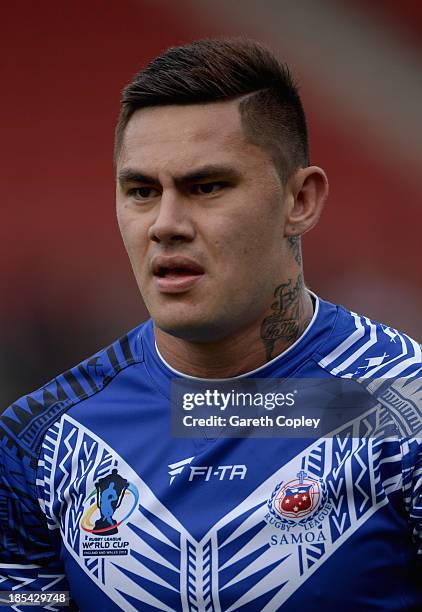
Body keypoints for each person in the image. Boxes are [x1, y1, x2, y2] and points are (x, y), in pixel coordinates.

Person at [1, 38, 421, 611]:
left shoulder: (405, 406)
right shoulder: (41, 440)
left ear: (300, 200)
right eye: (142, 191)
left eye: (206, 187)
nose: (166, 224)